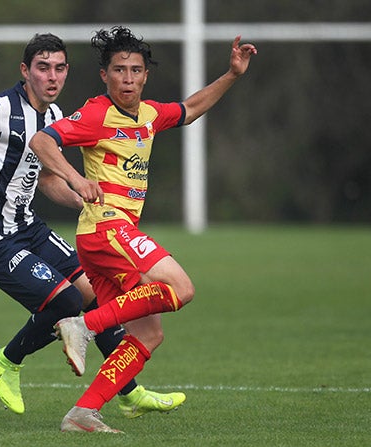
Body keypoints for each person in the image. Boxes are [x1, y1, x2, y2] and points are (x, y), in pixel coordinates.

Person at [0, 33, 184, 418]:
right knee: (66, 300)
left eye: (60, 68)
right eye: (43, 68)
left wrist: (85, 200)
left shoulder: (54, 117)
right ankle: (7, 360)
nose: (52, 76)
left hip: (28, 227)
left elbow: (48, 181)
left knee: (95, 293)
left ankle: (128, 391)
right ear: (25, 71)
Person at [29, 26, 257, 432]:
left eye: (136, 70)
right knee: (182, 288)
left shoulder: (149, 114)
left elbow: (190, 108)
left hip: (105, 242)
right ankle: (84, 325)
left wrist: (233, 75)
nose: (128, 78)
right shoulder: (96, 113)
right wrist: (76, 180)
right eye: (119, 70)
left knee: (149, 335)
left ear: (145, 75)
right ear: (105, 75)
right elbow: (42, 141)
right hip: (106, 228)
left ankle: (82, 414)